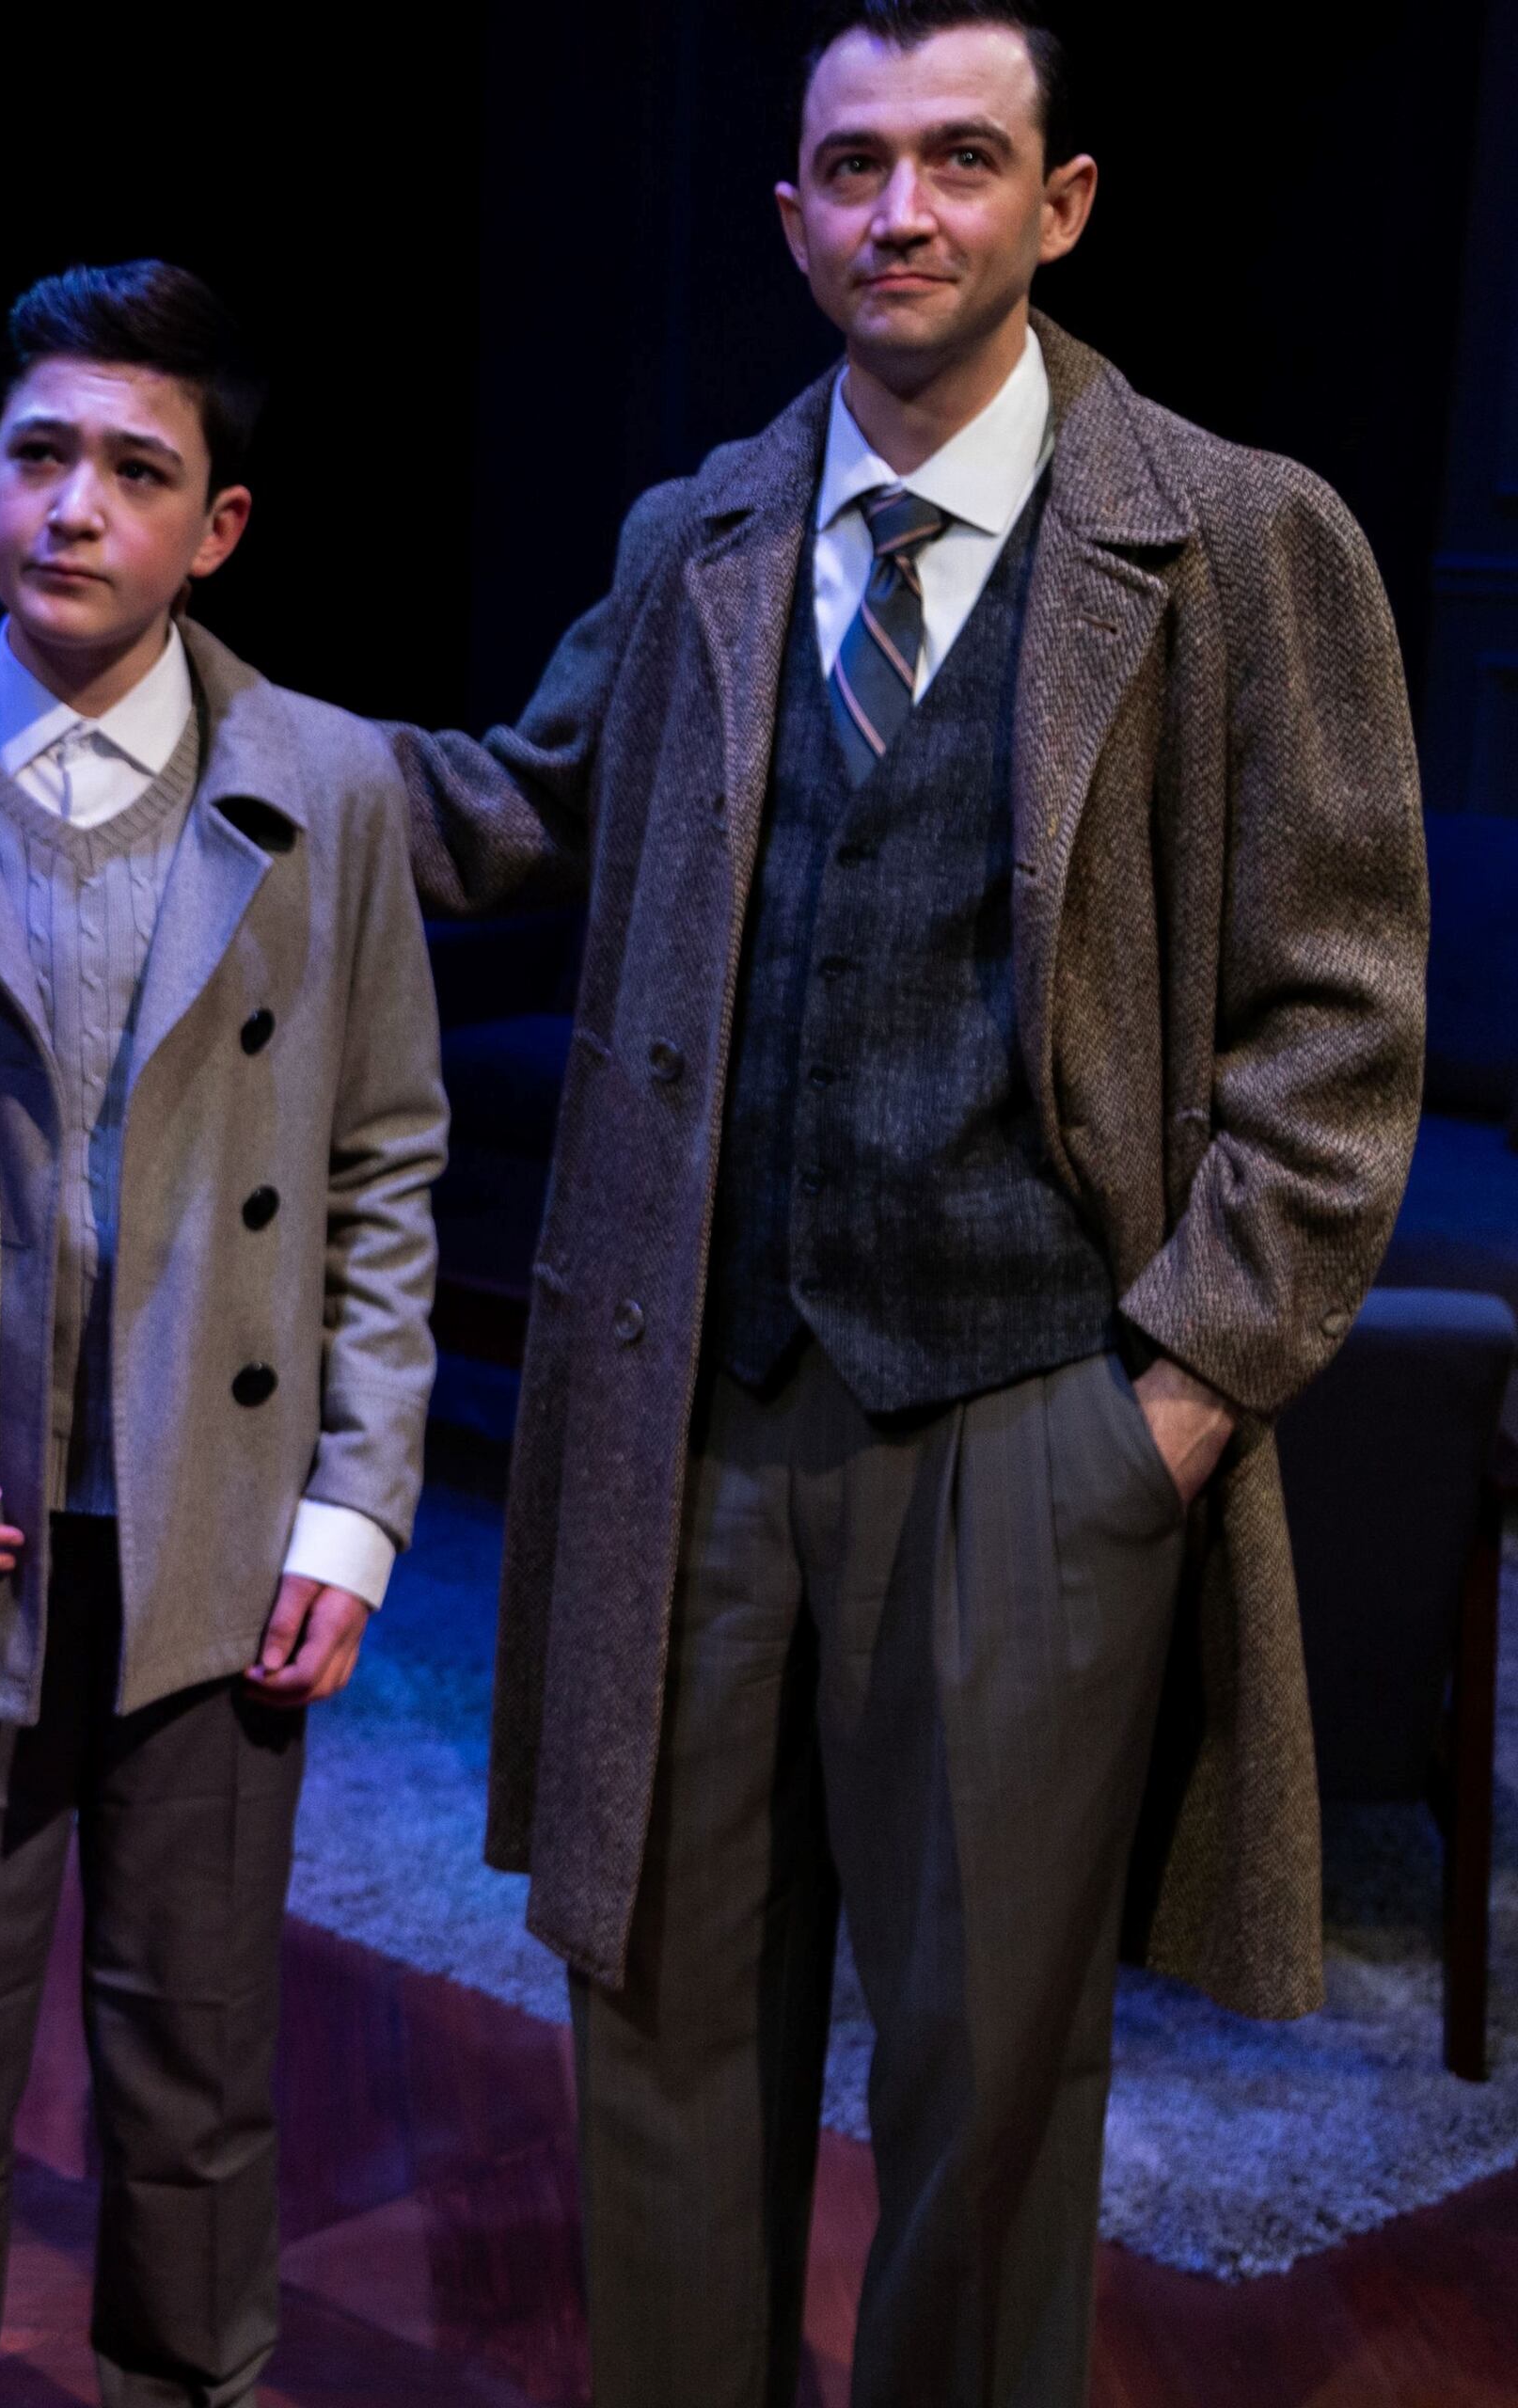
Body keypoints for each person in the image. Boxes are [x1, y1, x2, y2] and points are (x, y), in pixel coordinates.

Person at [383, 8, 1429, 2402]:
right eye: (854, 167)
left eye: (963, 160)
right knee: (652, 2022)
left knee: (987, 2063)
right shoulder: (703, 539)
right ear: (791, 219)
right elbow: (515, 803)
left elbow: (1340, 1013)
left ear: (1059, 206)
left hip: (1032, 1419)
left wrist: (1174, 1394)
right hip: (700, 1414)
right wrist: (176, 710)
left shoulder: (1240, 540)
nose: (902, 211)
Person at [0, 260, 447, 2408]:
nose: (79, 505)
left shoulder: (329, 788)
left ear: (217, 526)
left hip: (210, 1527)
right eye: (43, 457)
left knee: (197, 2061)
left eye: (136, 470)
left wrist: (354, 1503)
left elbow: (378, 1160)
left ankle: (195, 2382)